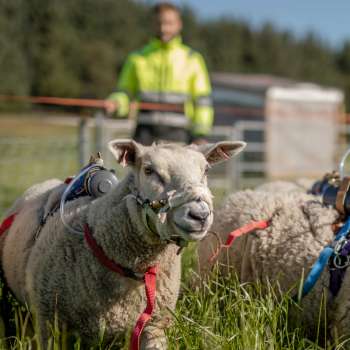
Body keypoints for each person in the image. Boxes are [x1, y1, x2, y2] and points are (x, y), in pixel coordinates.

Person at [105, 2, 213, 145]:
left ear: (179, 24)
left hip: (180, 137)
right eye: (159, 23)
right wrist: (117, 103)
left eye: (169, 23)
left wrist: (201, 134)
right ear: (153, 24)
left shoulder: (193, 59)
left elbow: (203, 101)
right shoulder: (137, 58)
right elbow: (125, 92)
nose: (163, 28)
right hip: (144, 136)